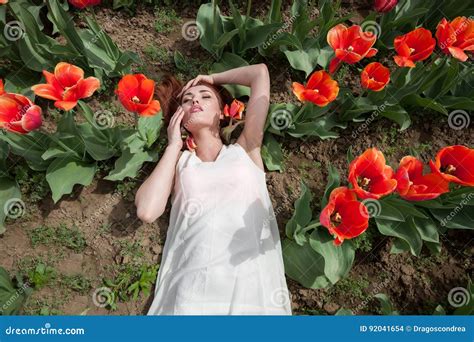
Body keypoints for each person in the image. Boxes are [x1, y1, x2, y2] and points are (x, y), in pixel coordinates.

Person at [135, 64, 292, 315]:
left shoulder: (247, 148)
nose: (195, 99)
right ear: (181, 118)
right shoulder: (180, 164)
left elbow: (260, 73)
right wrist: (173, 145)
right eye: (187, 100)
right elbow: (147, 210)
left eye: (205, 97)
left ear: (222, 113)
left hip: (251, 289)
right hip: (193, 291)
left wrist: (211, 78)